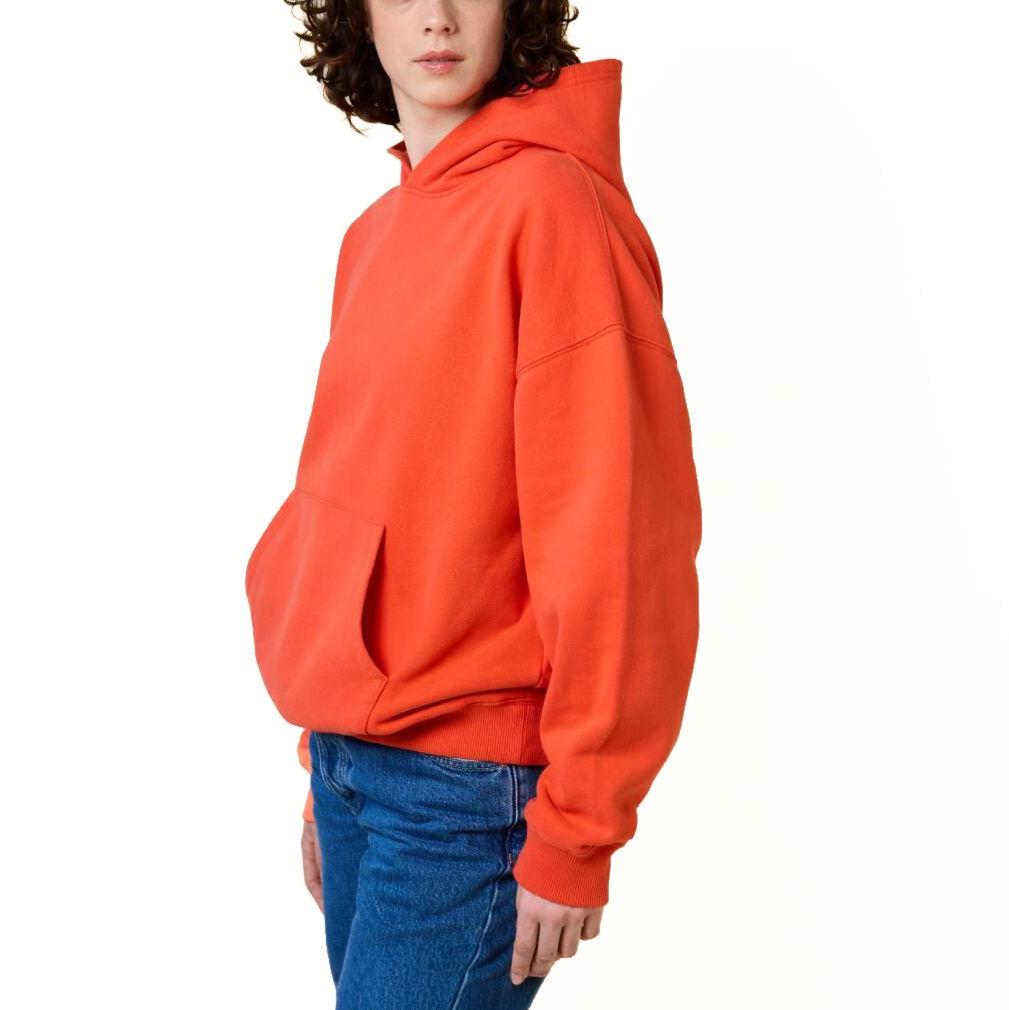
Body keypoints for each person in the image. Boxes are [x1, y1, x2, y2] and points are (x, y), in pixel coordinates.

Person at [245, 1, 703, 1006]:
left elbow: (617, 535)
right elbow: (348, 493)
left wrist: (579, 824)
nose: (438, 16)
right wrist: (324, 751)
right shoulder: (374, 235)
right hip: (355, 766)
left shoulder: (551, 205)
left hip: (463, 794)